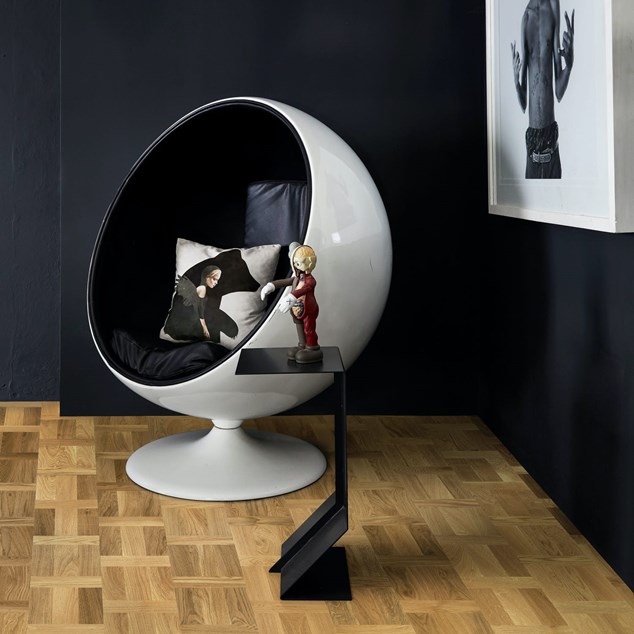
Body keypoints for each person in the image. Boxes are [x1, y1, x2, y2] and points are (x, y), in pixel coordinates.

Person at [511, 0, 575, 178]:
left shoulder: (553, 7)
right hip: (532, 145)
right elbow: (523, 105)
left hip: (551, 141)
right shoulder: (526, 18)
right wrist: (516, 83)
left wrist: (569, 66)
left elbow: (559, 93)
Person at [261, 243, 322, 364]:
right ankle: (302, 345)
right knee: (299, 326)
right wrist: (271, 286)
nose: (296, 266)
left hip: (308, 309)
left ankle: (312, 347)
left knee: (309, 329)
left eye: (298, 263)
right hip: (297, 308)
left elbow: (304, 289)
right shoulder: (298, 277)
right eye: (295, 263)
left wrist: (291, 297)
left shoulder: (310, 280)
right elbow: (287, 281)